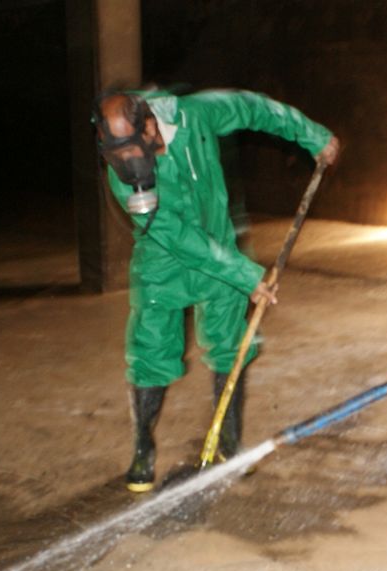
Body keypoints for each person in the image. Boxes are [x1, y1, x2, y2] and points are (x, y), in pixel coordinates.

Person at [94, 89, 339, 492]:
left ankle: (229, 442)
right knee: (150, 353)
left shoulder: (197, 116)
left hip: (221, 251)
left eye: (135, 151)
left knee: (230, 343)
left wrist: (312, 135)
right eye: (117, 157)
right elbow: (179, 239)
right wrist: (247, 276)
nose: (129, 166)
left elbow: (254, 108)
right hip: (163, 265)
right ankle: (143, 447)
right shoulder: (125, 177)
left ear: (151, 126)